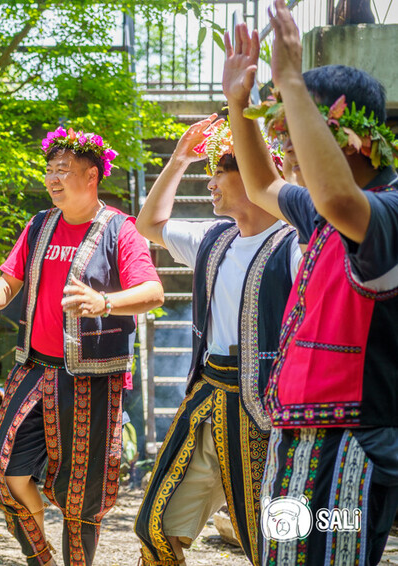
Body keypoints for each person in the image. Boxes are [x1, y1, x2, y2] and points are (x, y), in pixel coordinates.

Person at [223, 6, 398, 564]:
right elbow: (260, 184)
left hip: (355, 445)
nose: (287, 145)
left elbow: (342, 200)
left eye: (296, 129)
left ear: (349, 139)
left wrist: (292, 77)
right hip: (297, 440)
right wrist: (237, 105)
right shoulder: (320, 213)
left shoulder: (385, 211)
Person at [0, 127, 164, 566]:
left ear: (92, 175)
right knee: (2, 474)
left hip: (91, 378)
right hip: (33, 367)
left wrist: (105, 301)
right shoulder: (39, 224)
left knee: (82, 498)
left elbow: (153, 293)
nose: (52, 178)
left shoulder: (121, 229)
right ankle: (41, 558)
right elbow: (11, 280)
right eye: (49, 170)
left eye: (63, 170)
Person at [132, 114, 301, 565]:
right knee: (154, 525)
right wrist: (177, 161)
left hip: (263, 412)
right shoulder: (214, 237)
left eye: (219, 171)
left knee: (271, 542)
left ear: (254, 174)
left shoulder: (296, 246)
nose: (210, 182)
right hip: (206, 395)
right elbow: (148, 225)